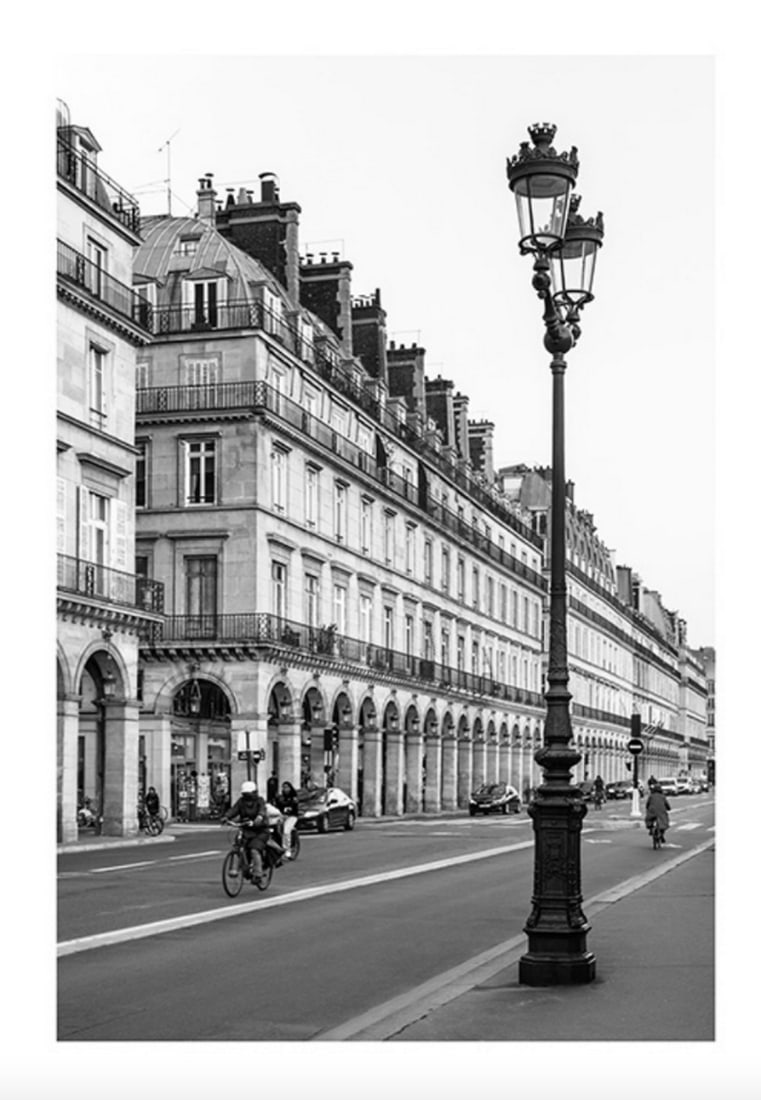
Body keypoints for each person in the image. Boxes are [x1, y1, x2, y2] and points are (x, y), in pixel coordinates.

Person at [223, 781, 271, 883]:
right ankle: (235, 868)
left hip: (260, 831)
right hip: (246, 828)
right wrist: (226, 817)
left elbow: (262, 810)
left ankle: (258, 873)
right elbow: (234, 810)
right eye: (245, 794)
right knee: (237, 846)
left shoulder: (260, 801)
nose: (247, 797)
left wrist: (259, 818)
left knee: (254, 849)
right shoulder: (241, 802)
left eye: (249, 794)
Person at [275, 781, 300, 859]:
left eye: (287, 787)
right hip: (282, 816)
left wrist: (288, 812)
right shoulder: (280, 798)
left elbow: (293, 807)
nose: (285, 789)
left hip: (292, 816)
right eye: (283, 787)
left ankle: (287, 849)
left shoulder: (294, 798)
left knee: (286, 831)